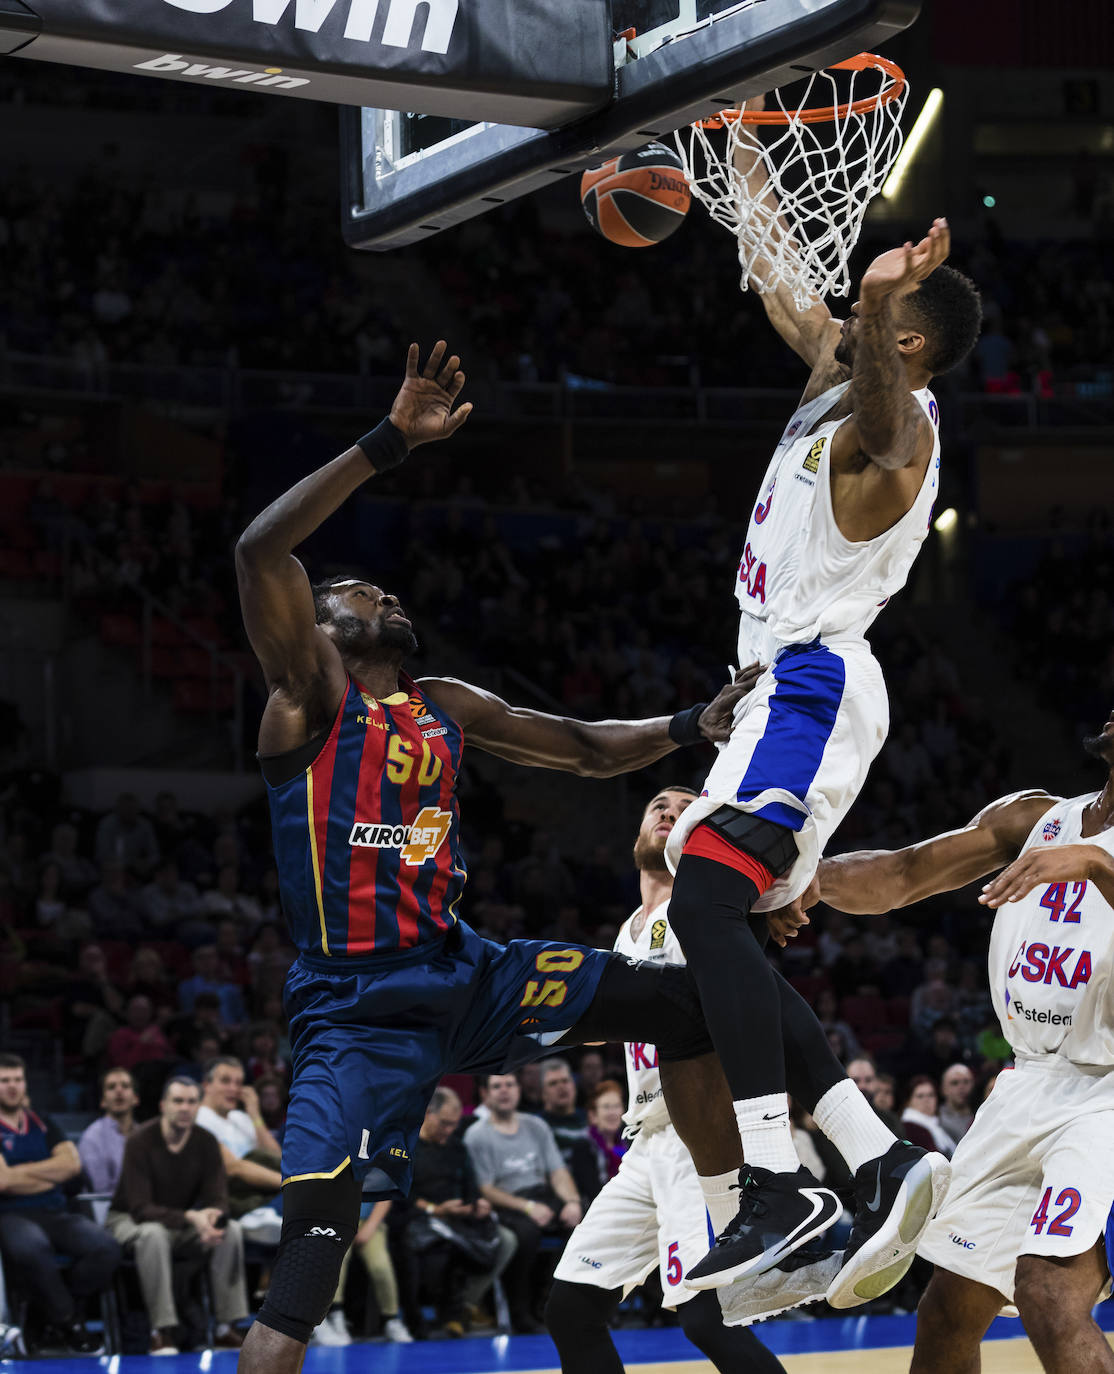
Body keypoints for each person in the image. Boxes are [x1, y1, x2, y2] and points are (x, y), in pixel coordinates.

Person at [232, 341, 755, 1374]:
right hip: (355, 1009)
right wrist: (388, 443)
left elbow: (587, 748)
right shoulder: (307, 699)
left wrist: (695, 719)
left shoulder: (447, 708)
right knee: (304, 1277)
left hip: (468, 973)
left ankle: (742, 1215)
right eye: (353, 587)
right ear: (323, 629)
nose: (375, 588)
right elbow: (259, 550)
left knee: (684, 1007)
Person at [656, 153, 982, 1292]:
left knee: (699, 894)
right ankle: (874, 1157)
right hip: (766, 692)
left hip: (814, 684)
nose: (839, 318)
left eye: (869, 317)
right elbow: (782, 284)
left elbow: (887, 436)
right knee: (712, 925)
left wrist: (888, 292)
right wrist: (733, 148)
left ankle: (778, 1186)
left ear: (905, 343)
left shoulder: (900, 434)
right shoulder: (834, 383)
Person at [814, 705, 1114, 1374]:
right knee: (947, 1309)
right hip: (1028, 1082)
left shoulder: (1089, 850)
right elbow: (900, 874)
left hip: (1107, 1091)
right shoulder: (1035, 818)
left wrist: (1096, 863)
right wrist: (801, 881)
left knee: (1048, 1289)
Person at [547, 787, 838, 1374]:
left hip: (700, 1138)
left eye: (685, 808)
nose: (667, 812)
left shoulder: (714, 908)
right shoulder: (629, 928)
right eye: (657, 804)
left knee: (708, 1317)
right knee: (571, 1308)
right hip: (644, 1144)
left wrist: (783, 892)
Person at [107, 1076, 249, 1355]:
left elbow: (219, 1197)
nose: (185, 1108)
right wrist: (192, 1218)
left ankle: (225, 1329)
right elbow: (139, 1207)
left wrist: (211, 1218)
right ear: (163, 1105)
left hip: (179, 1221)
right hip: (128, 1219)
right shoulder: (140, 1141)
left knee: (230, 1230)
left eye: (191, 1102)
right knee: (153, 1234)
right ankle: (161, 1331)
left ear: (198, 1107)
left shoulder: (206, 1141)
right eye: (178, 1101)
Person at [0, 1053, 120, 1353]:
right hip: (9, 1214)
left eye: (17, 1079)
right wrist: (48, 1173)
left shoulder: (41, 1121)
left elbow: (72, 1164)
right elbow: (2, 1182)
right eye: (4, 1081)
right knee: (32, 1247)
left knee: (105, 1247)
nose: (12, 1086)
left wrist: (19, 1174)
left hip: (54, 1211)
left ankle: (46, 1317)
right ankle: (71, 1324)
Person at [465, 1074, 581, 1333]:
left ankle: (554, 1304)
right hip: (506, 1205)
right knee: (526, 1235)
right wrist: (527, 1207)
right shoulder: (476, 1135)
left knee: (579, 1225)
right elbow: (486, 1188)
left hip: (541, 1194)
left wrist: (571, 1202)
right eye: (497, 1086)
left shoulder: (536, 1126)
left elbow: (558, 1172)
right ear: (485, 1094)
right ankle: (521, 1313)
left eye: (509, 1085)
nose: (504, 1091)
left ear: (519, 1090)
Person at [394, 1086, 510, 1339]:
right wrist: (435, 1209)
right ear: (428, 1113)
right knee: (432, 1250)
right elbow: (400, 1194)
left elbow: (471, 1185)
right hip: (418, 1216)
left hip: (456, 1218)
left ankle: (460, 1311)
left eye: (454, 1125)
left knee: (495, 1242)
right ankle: (422, 1320)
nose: (449, 1130)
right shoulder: (406, 1145)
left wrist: (477, 1204)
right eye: (445, 1124)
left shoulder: (457, 1147)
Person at [196, 1057, 283, 1245]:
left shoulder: (241, 1117)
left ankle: (267, 1212)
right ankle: (264, 1212)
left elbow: (277, 1158)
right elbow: (233, 1168)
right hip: (226, 1195)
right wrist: (290, 1183)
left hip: (262, 1191)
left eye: (239, 1083)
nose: (234, 1089)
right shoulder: (198, 1118)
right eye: (226, 1081)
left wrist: (255, 1114)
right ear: (206, 1085)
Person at [536, 1056, 602, 1203]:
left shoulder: (591, 1118)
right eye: (553, 1083)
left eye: (565, 1081)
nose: (561, 1087)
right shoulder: (537, 1126)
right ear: (542, 1093)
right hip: (560, 1198)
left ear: (574, 1085)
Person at [78, 1067, 140, 1195]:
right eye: (111, 1087)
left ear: (135, 1098)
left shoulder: (145, 1134)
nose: (119, 1091)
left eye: (125, 1086)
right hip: (109, 1209)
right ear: (103, 1101)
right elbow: (101, 1192)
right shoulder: (92, 1137)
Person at [585, 1080, 628, 1186]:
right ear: (593, 1115)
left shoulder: (629, 1143)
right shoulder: (584, 1147)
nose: (612, 1112)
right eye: (606, 1107)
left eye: (617, 1106)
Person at [899, 1078, 954, 1158]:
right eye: (920, 1096)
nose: (926, 1100)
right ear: (909, 1101)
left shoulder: (937, 1125)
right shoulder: (910, 1127)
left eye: (931, 1095)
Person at [937, 1063, 975, 1146]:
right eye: (955, 1083)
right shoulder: (935, 1119)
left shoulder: (981, 1113)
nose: (961, 1087)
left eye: (966, 1081)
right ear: (943, 1089)